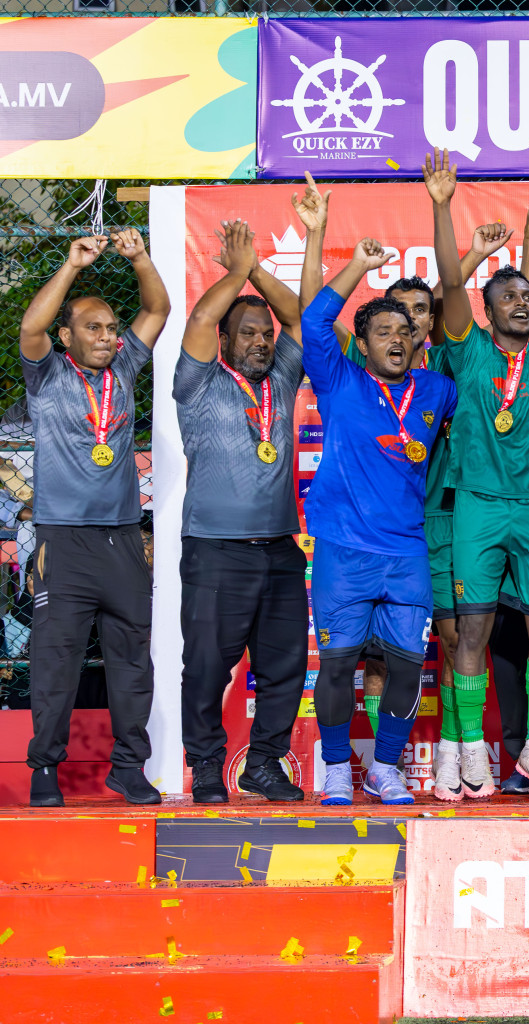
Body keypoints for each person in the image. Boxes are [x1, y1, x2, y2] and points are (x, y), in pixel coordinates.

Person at [427, 151, 529, 801]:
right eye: (507, 298)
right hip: (479, 507)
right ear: (486, 313)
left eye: (526, 297)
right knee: (472, 630)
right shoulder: (467, 351)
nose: (522, 303)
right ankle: (469, 749)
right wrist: (442, 205)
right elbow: (448, 282)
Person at [300, 187, 458, 806]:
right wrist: (358, 267)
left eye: (405, 330)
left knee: (407, 666)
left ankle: (385, 768)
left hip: (407, 550)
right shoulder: (339, 380)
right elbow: (314, 322)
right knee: (339, 664)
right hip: (344, 548)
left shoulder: (437, 391)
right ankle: (338, 767)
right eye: (383, 330)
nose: (397, 337)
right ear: (362, 345)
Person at [22, 229, 169, 807]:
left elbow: (157, 309)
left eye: (111, 327)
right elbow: (30, 328)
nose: (108, 336)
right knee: (56, 662)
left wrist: (140, 258)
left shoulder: (124, 366)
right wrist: (72, 266)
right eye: (93, 328)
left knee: (132, 660)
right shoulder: (47, 374)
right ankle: (44, 770)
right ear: (67, 336)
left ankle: (129, 767)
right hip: (63, 543)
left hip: (123, 541)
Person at [175, 219, 308, 804]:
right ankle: (206, 765)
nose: (261, 341)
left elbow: (298, 318)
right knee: (207, 667)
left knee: (286, 667)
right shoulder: (198, 381)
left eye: (264, 334)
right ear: (225, 341)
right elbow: (201, 318)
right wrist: (235, 274)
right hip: (215, 549)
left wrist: (254, 269)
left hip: (280, 549)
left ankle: (263, 763)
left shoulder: (283, 376)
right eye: (247, 333)